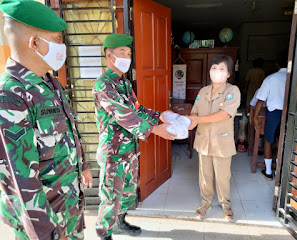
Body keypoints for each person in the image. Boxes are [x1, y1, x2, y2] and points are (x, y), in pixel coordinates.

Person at [0, 1, 93, 240]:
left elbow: (69, 131)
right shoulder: (10, 96)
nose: (62, 46)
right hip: (47, 227)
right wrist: (49, 234)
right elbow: (19, 183)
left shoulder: (50, 83)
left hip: (69, 212)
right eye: (57, 39)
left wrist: (82, 165)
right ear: (35, 43)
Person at [93, 33, 175, 240]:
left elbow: (137, 109)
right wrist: (156, 130)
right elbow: (124, 114)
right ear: (109, 56)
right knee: (110, 196)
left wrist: (160, 115)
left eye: (129, 53)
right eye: (122, 52)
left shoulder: (125, 84)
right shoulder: (104, 84)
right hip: (113, 152)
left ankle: (120, 223)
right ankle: (104, 233)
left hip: (129, 149)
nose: (127, 57)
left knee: (128, 192)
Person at [188, 55, 241, 221]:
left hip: (221, 141)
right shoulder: (202, 91)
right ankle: (205, 203)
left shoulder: (232, 91)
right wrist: (190, 120)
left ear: (228, 74)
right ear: (209, 72)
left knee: (223, 175)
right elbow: (194, 110)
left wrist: (197, 120)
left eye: (222, 69)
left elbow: (224, 114)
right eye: (214, 68)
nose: (217, 72)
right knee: (205, 174)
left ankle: (225, 204)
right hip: (204, 139)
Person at [253, 54, 288, 181]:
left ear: (277, 64)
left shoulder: (271, 78)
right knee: (281, 142)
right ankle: (279, 173)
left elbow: (261, 100)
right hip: (287, 114)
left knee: (268, 140)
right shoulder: (293, 78)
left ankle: (268, 172)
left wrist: (255, 117)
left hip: (273, 114)